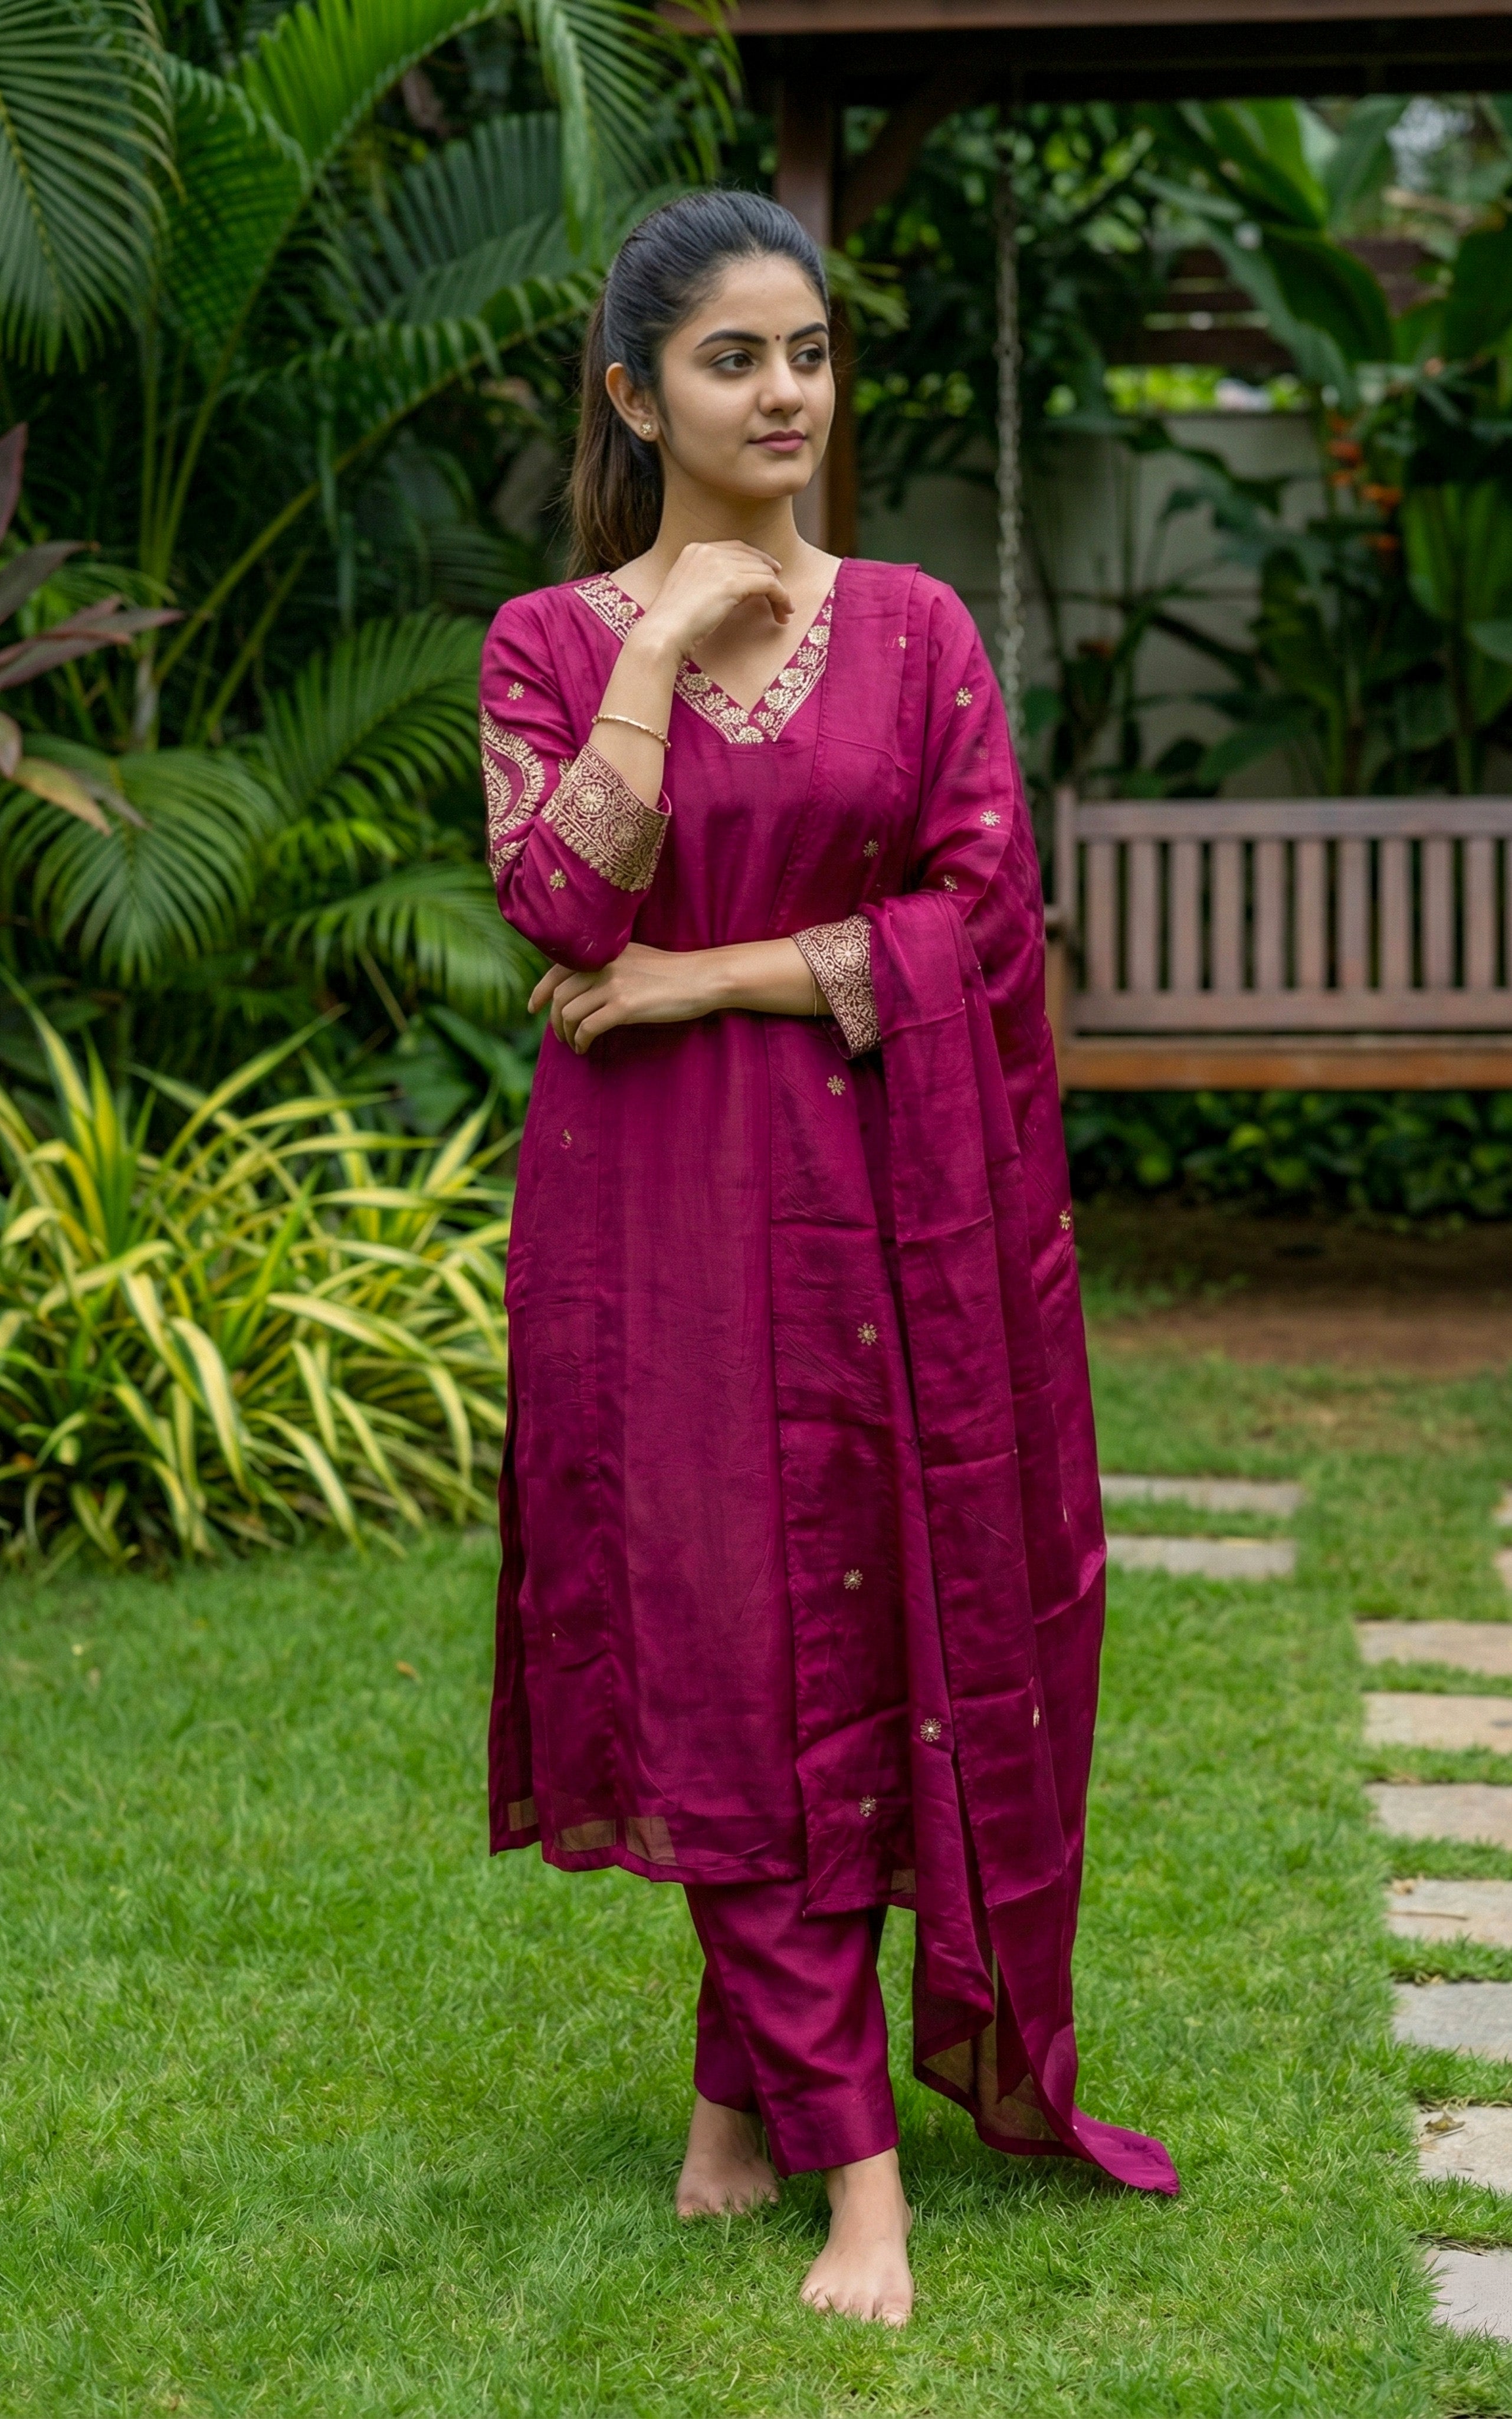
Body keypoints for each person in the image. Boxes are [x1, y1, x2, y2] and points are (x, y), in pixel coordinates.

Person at [480, 188, 1177, 2330]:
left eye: (808, 354)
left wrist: (709, 983)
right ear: (635, 391)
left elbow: (979, 920)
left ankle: (737, 2097)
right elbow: (552, 913)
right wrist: (659, 660)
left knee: (875, 1633)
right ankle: (852, 2170)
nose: (785, 394)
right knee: (717, 1645)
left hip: (890, 1216)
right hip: (657, 1239)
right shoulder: (545, 637)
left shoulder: (917, 630)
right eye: (732, 360)